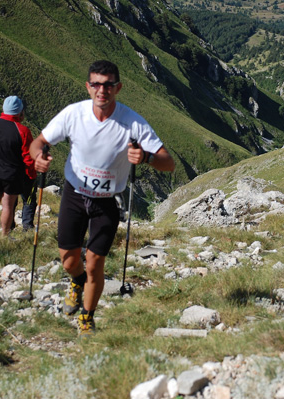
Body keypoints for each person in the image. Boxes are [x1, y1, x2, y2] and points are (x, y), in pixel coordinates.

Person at [30, 60, 175, 336]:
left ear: (118, 87)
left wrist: (146, 157)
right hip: (74, 196)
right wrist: (38, 157)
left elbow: (168, 163)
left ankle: (87, 317)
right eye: (96, 84)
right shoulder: (73, 114)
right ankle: (77, 280)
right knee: (69, 260)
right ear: (88, 87)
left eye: (108, 85)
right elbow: (38, 142)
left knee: (96, 261)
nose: (102, 90)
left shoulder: (133, 122)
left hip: (107, 201)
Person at [0, 96, 36, 236]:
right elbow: (29, 158)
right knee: (8, 206)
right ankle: (5, 235)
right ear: (19, 112)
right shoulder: (23, 131)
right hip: (13, 174)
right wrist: (31, 175)